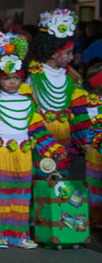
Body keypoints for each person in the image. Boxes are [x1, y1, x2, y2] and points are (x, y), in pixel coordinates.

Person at [0, 33, 65, 248]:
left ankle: (19, 235)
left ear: (21, 79)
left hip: (24, 156)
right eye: (7, 79)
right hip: (2, 155)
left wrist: (54, 149)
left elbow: (39, 131)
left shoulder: (27, 103)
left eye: (16, 78)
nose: (12, 82)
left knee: (22, 196)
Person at [27, 9, 90, 174]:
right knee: (39, 178)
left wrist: (85, 139)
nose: (71, 57)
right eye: (67, 53)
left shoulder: (72, 78)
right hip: (38, 135)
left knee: (60, 182)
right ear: (54, 54)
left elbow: (79, 113)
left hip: (64, 135)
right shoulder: (32, 75)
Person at [80, 60, 102, 228]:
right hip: (96, 151)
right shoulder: (91, 104)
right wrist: (86, 142)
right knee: (95, 181)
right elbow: (87, 126)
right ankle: (94, 217)